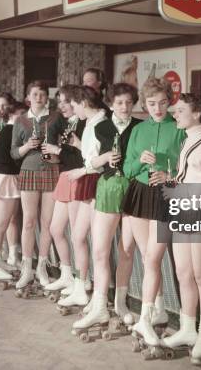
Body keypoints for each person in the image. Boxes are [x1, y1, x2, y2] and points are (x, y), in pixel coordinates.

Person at [160, 94, 201, 363]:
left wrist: (177, 188)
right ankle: (187, 329)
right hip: (184, 211)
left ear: (197, 113)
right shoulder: (188, 140)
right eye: (175, 111)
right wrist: (171, 181)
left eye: (180, 111)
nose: (175, 115)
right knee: (183, 272)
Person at [72, 83, 141, 333]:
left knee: (127, 249)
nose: (124, 107)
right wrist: (103, 159)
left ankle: (120, 303)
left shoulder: (139, 127)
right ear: (111, 104)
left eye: (128, 102)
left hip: (134, 189)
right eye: (119, 102)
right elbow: (88, 160)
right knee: (100, 250)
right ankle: (99, 304)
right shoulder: (99, 126)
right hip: (109, 186)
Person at [121, 78, 185, 347]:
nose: (157, 108)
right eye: (151, 104)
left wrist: (168, 173)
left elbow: (186, 170)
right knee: (147, 257)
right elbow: (127, 169)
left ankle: (145, 319)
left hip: (165, 195)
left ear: (169, 101)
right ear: (144, 105)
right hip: (139, 193)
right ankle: (156, 312)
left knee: (153, 259)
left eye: (162, 103)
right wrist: (139, 160)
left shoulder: (179, 128)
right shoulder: (137, 130)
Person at [56, 85, 107, 310]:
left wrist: (83, 170)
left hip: (98, 183)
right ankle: (81, 285)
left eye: (73, 104)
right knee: (77, 236)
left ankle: (98, 297)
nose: (71, 109)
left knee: (98, 245)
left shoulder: (103, 124)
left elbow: (107, 160)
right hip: (89, 179)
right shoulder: (90, 124)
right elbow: (90, 154)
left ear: (83, 103)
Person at [11, 81, 61, 290]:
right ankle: (26, 268)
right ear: (28, 98)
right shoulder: (20, 121)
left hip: (51, 172)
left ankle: (42, 266)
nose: (39, 97)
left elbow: (64, 145)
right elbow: (13, 153)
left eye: (42, 94)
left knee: (47, 222)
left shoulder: (57, 117)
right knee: (29, 222)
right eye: (35, 94)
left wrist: (55, 153)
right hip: (29, 172)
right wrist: (26, 147)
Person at [41, 85, 86, 296]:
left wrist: (57, 150)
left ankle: (81, 279)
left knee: (78, 235)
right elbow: (67, 156)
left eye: (65, 102)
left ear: (76, 101)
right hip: (65, 176)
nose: (62, 107)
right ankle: (67, 274)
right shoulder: (69, 123)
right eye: (59, 103)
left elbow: (83, 157)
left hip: (79, 177)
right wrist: (53, 155)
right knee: (55, 229)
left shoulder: (84, 123)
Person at [0, 101, 28, 281]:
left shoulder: (9, 131)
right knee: (0, 223)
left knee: (7, 222)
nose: (24, 118)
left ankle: (3, 259)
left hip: (7, 177)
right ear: (12, 116)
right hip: (5, 178)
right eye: (21, 115)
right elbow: (10, 158)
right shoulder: (10, 132)